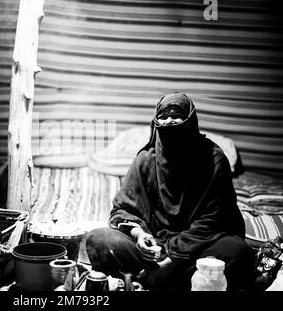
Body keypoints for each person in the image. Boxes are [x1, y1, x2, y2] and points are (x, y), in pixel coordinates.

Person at [86, 93, 256, 291]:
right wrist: (140, 236)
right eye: (164, 116)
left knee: (238, 252)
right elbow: (123, 210)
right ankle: (171, 280)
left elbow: (213, 220)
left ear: (190, 121)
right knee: (99, 239)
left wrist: (172, 254)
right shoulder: (146, 159)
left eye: (177, 115)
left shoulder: (213, 158)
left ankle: (148, 278)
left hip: (198, 245)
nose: (169, 121)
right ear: (156, 121)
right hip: (152, 249)